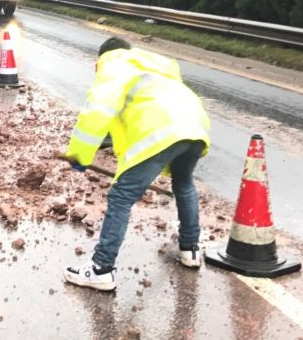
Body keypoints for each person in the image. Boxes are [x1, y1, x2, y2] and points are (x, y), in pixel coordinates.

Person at [60, 37, 211, 291]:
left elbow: (98, 111)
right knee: (184, 183)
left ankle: (100, 268)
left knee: (121, 196)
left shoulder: (112, 64)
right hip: (195, 127)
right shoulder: (151, 63)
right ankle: (190, 249)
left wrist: (79, 155)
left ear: (100, 59)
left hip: (162, 131)